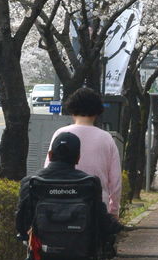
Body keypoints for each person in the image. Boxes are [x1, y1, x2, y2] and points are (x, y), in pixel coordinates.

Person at [16, 131, 122, 256]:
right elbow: (101, 219)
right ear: (78, 158)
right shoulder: (89, 183)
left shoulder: (31, 182)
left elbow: (21, 223)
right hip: (82, 258)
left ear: (50, 155)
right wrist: (116, 226)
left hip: (40, 258)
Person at [47, 86, 122, 216]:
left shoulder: (60, 134)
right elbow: (115, 183)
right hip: (96, 210)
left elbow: (48, 170)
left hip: (60, 208)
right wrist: (113, 211)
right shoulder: (106, 138)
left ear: (71, 109)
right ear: (97, 111)